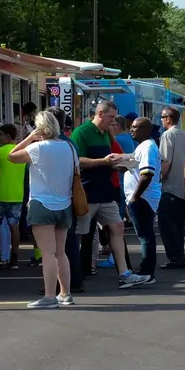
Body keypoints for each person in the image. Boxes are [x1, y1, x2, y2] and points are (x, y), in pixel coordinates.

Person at [71, 101, 149, 289]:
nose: (114, 122)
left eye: (115, 118)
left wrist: (118, 165)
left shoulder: (106, 134)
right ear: (99, 114)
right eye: (111, 118)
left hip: (105, 192)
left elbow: (108, 160)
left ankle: (124, 274)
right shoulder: (81, 132)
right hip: (86, 192)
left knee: (118, 227)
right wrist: (103, 161)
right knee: (78, 235)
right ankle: (72, 277)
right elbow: (77, 161)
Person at [11, 110, 78, 308]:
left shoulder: (38, 148)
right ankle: (65, 293)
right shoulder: (69, 147)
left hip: (41, 204)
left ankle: (49, 296)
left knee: (47, 253)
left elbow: (11, 156)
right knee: (60, 252)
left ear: (40, 128)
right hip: (65, 204)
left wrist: (29, 138)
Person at [124, 117, 161, 283]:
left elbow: (147, 174)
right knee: (145, 235)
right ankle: (146, 270)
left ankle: (147, 272)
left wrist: (135, 196)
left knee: (145, 235)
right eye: (131, 127)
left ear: (146, 130)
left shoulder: (147, 147)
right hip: (142, 197)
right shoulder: (143, 146)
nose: (132, 130)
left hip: (143, 198)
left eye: (136, 127)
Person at [156, 107, 185, 269]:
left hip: (170, 187)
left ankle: (175, 257)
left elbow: (165, 162)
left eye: (162, 117)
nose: (161, 120)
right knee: (178, 225)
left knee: (166, 225)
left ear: (169, 118)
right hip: (184, 187)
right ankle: (180, 256)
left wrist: (156, 180)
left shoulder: (167, 135)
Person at [0, 124, 26, 269]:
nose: (0, 137)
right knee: (14, 226)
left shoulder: (0, 151)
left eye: (2, 134)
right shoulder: (22, 151)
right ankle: (14, 257)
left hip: (0, 194)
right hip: (17, 194)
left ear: (8, 136)